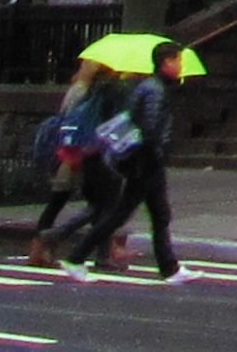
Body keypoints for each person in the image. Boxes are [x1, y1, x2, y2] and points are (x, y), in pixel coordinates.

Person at [93, 42, 184, 278]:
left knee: (158, 215)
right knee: (124, 213)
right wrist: (154, 154)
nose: (181, 65)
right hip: (146, 161)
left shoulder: (150, 87)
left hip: (146, 160)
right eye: (178, 60)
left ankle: (169, 267)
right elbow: (150, 128)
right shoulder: (153, 89)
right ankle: (77, 254)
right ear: (166, 62)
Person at [23, 62, 125, 269]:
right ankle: (52, 237)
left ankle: (103, 254)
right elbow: (115, 124)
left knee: (100, 206)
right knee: (98, 206)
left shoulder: (90, 91)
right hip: (98, 154)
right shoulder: (108, 92)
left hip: (84, 153)